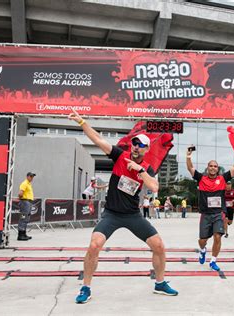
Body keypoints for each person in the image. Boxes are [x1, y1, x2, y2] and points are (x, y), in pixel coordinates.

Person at [68, 109, 178, 304]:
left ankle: (160, 284)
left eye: (141, 145)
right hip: (112, 214)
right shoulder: (120, 156)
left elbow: (154, 186)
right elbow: (98, 140)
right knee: (94, 245)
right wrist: (82, 122)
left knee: (159, 246)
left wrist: (140, 170)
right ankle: (86, 287)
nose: (136, 147)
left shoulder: (147, 168)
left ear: (146, 150)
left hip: (133, 215)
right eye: (135, 143)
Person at [186, 142, 234, 271]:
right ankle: (202, 250)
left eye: (215, 166)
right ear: (207, 168)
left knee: (217, 236)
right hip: (205, 214)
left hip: (219, 213)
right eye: (211, 166)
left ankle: (213, 261)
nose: (213, 168)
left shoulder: (223, 179)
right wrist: (188, 156)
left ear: (217, 169)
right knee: (202, 240)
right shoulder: (201, 179)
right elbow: (190, 168)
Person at [17, 172, 36, 241]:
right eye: (31, 176)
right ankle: (20, 234)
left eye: (32, 177)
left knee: (26, 218)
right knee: (23, 217)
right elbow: (20, 193)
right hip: (25, 202)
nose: (32, 178)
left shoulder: (29, 184)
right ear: (27, 176)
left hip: (28, 202)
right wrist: (21, 199)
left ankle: (23, 233)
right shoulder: (24, 183)